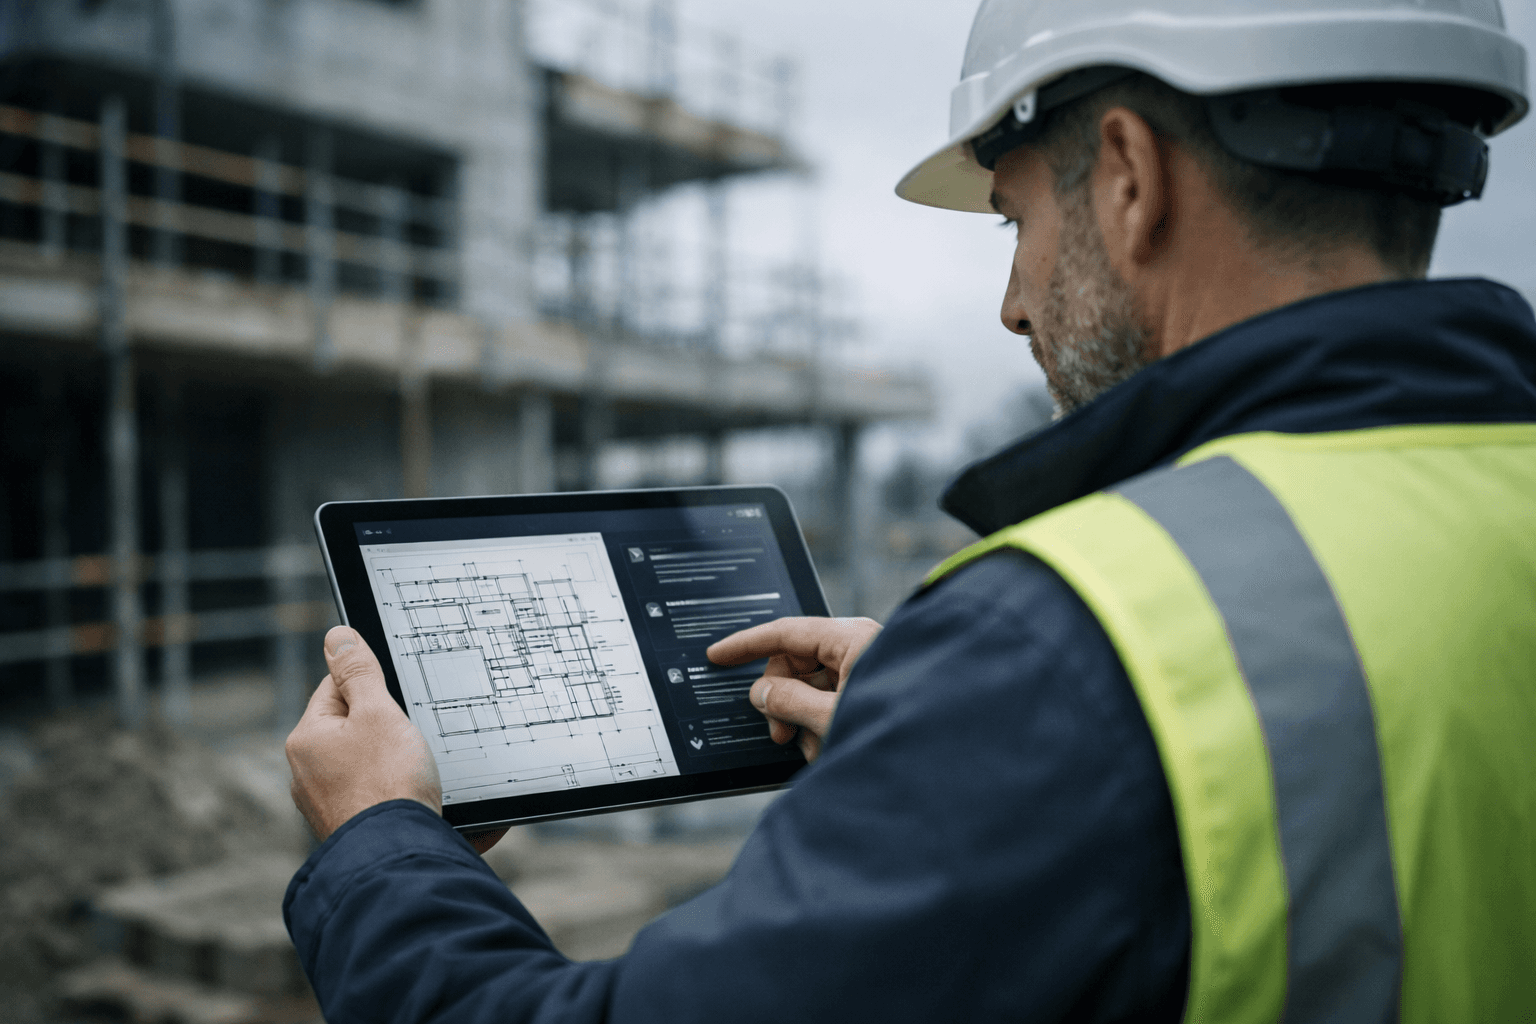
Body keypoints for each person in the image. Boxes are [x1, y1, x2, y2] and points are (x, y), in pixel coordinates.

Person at [283, 1, 1536, 1020]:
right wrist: (954, 724)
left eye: (1017, 221)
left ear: (1128, 178)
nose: (1012, 302)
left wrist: (381, 840)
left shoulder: (1069, 646)